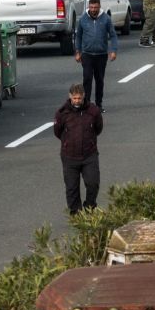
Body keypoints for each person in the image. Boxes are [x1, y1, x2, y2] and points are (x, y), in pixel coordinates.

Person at [53, 83, 103, 214]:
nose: (77, 101)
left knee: (93, 183)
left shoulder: (93, 111)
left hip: (89, 155)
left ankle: (90, 207)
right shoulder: (62, 113)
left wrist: (90, 141)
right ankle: (76, 214)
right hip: (69, 156)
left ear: (83, 97)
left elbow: (98, 128)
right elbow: (58, 132)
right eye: (74, 98)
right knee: (71, 188)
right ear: (70, 97)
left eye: (79, 98)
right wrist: (68, 143)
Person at [73, 0, 118, 111]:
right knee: (87, 78)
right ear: (89, 7)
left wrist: (113, 50)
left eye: (96, 7)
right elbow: (78, 36)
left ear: (99, 6)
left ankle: (98, 105)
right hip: (87, 54)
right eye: (91, 7)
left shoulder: (106, 19)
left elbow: (113, 35)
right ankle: (86, 104)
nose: (93, 10)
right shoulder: (83, 19)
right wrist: (77, 51)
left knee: (99, 80)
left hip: (101, 55)